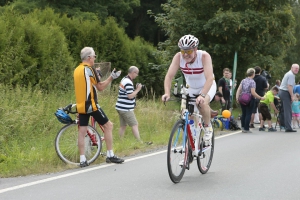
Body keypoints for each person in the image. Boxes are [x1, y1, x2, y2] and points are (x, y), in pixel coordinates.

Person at [74, 47, 124, 167]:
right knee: (108, 126)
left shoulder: (77, 70)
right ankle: (110, 155)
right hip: (91, 105)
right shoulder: (89, 69)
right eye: (94, 56)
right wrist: (112, 77)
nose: (95, 59)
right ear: (89, 58)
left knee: (82, 131)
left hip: (81, 105)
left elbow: (88, 84)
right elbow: (100, 87)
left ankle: (82, 160)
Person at [162, 34, 216, 141]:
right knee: (188, 114)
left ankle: (208, 126)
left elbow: (210, 79)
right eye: (183, 51)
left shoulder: (204, 56)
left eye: (189, 51)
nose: (185, 54)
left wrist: (202, 95)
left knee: (202, 103)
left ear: (195, 49)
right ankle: (192, 140)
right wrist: (167, 93)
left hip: (207, 86)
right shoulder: (178, 57)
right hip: (191, 88)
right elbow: (169, 76)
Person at [115, 66, 145, 142]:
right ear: (133, 72)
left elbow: (128, 93)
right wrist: (138, 89)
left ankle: (120, 141)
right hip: (125, 108)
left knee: (123, 126)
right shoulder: (128, 82)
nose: (137, 75)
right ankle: (139, 142)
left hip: (120, 107)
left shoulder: (124, 79)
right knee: (135, 124)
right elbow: (130, 96)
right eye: (136, 73)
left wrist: (134, 89)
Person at [236, 68, 265, 133]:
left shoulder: (243, 80)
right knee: (248, 113)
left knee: (244, 113)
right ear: (253, 74)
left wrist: (237, 97)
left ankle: (243, 127)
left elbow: (239, 89)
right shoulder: (252, 82)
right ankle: (246, 128)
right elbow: (253, 92)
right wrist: (260, 97)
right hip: (249, 99)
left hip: (242, 98)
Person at [279, 64, 299, 132]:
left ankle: (283, 124)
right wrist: (292, 96)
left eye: (297, 68)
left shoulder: (289, 73)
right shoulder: (291, 75)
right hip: (285, 92)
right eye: (295, 68)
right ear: (291, 68)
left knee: (284, 110)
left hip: (282, 91)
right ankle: (288, 127)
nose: (296, 70)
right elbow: (289, 86)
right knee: (288, 110)